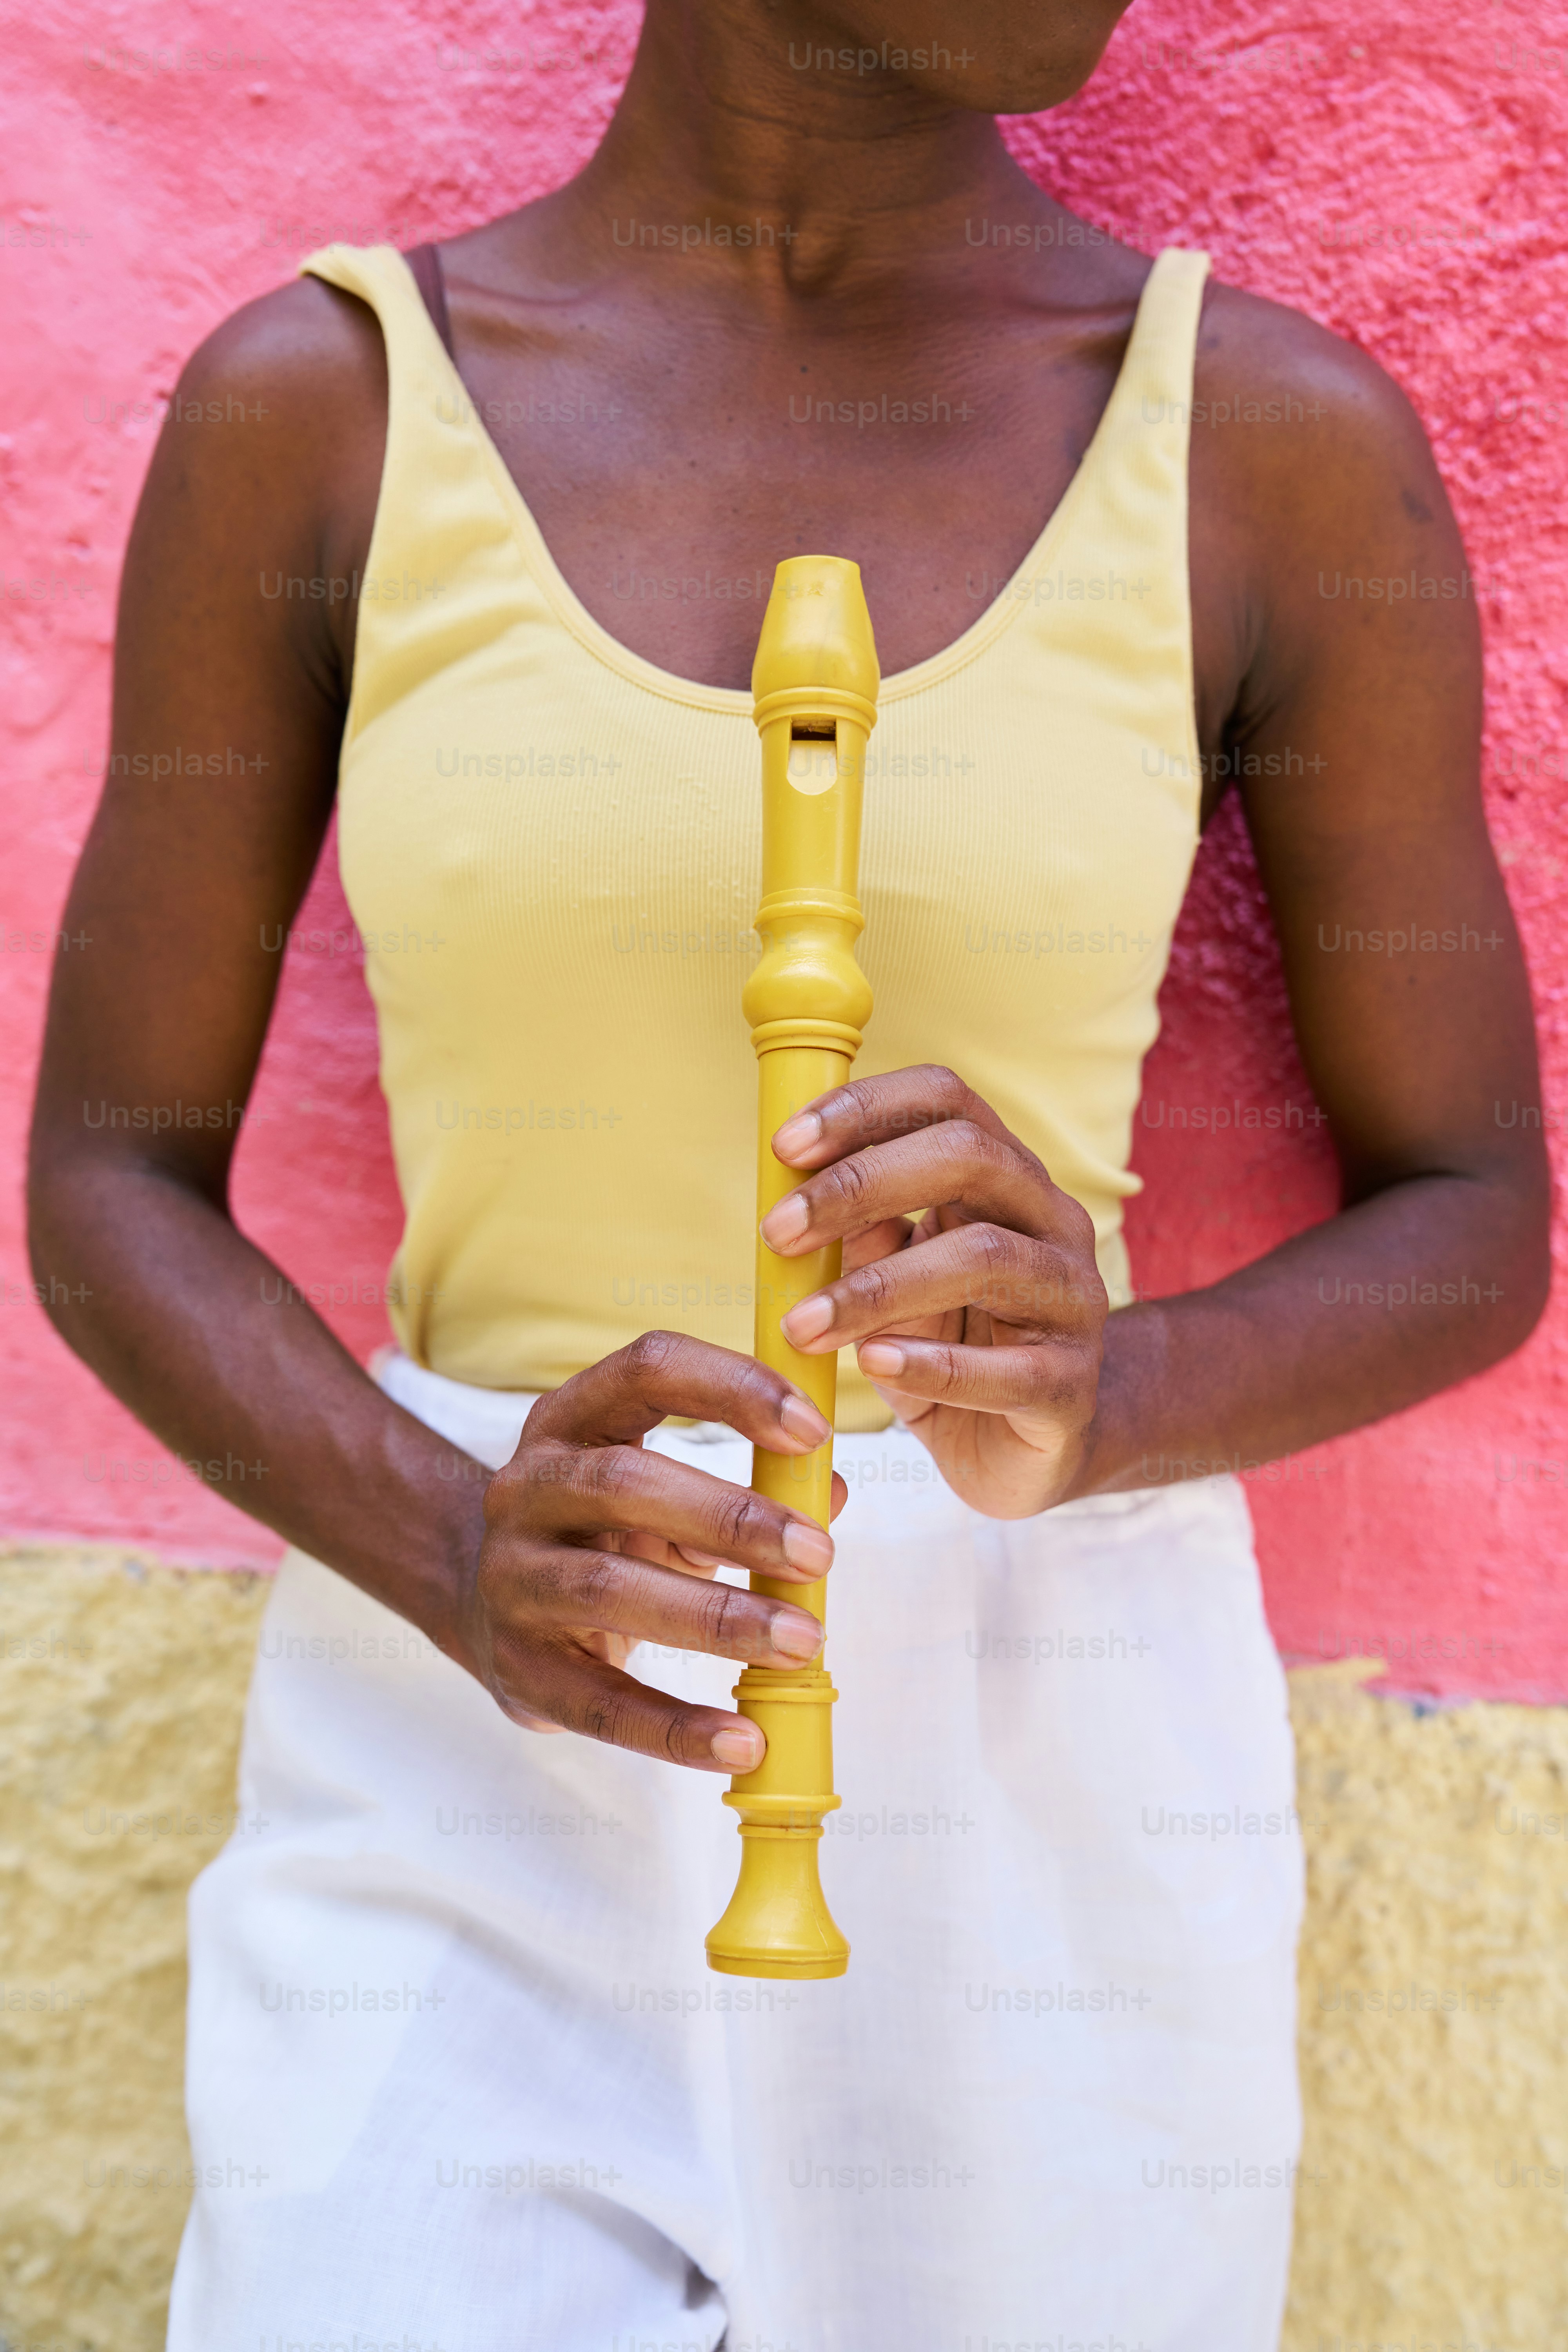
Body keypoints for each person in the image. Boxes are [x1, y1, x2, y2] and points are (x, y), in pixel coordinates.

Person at [29, 2, 1548, 2345]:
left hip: (1048, 1751)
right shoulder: (327, 413)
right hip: (461, 1704)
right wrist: (448, 1545)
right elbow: (110, 1180)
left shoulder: (1266, 447)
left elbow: (1474, 1211)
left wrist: (1105, 1392)